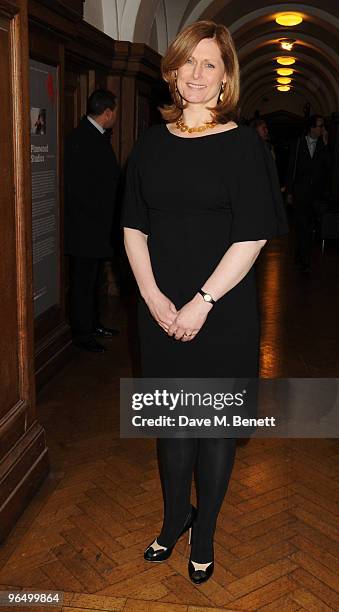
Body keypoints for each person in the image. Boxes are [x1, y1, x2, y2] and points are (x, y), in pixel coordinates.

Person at [122, 21, 287, 585]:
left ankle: (205, 532)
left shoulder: (243, 146)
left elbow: (253, 236)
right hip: (160, 308)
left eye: (209, 64)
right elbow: (132, 227)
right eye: (188, 63)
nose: (196, 74)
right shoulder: (148, 142)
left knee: (212, 429)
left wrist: (200, 302)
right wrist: (152, 297)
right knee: (173, 426)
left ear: (225, 79)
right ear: (172, 72)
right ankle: (173, 522)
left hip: (222, 311)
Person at [64, 89, 120, 353]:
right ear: (107, 113)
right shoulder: (82, 137)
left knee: (94, 280)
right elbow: (79, 188)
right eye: (114, 112)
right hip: (85, 227)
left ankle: (94, 323)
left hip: (97, 226)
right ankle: (82, 333)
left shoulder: (95, 135)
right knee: (82, 283)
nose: (115, 117)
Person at [285, 114, 331, 272]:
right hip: (300, 192)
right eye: (320, 126)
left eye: (323, 126)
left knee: (309, 226)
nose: (322, 129)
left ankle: (301, 254)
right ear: (311, 127)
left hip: (315, 194)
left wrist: (325, 145)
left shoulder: (322, 145)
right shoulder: (298, 144)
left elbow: (328, 166)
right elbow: (292, 168)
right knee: (302, 225)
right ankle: (305, 261)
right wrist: (289, 191)